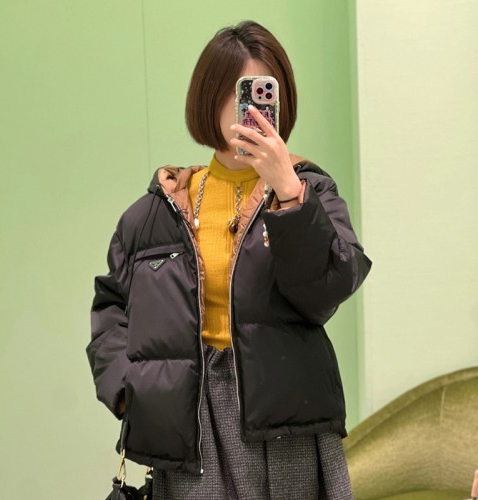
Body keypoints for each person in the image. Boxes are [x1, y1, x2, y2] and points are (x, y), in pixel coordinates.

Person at [87, 20, 372, 499]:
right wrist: (128, 390)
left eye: (264, 92)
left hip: (286, 423)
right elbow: (112, 306)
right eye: (240, 92)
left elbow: (327, 290)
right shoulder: (158, 210)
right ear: (210, 97)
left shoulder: (309, 191)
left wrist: (289, 193)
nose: (252, 110)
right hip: (190, 422)